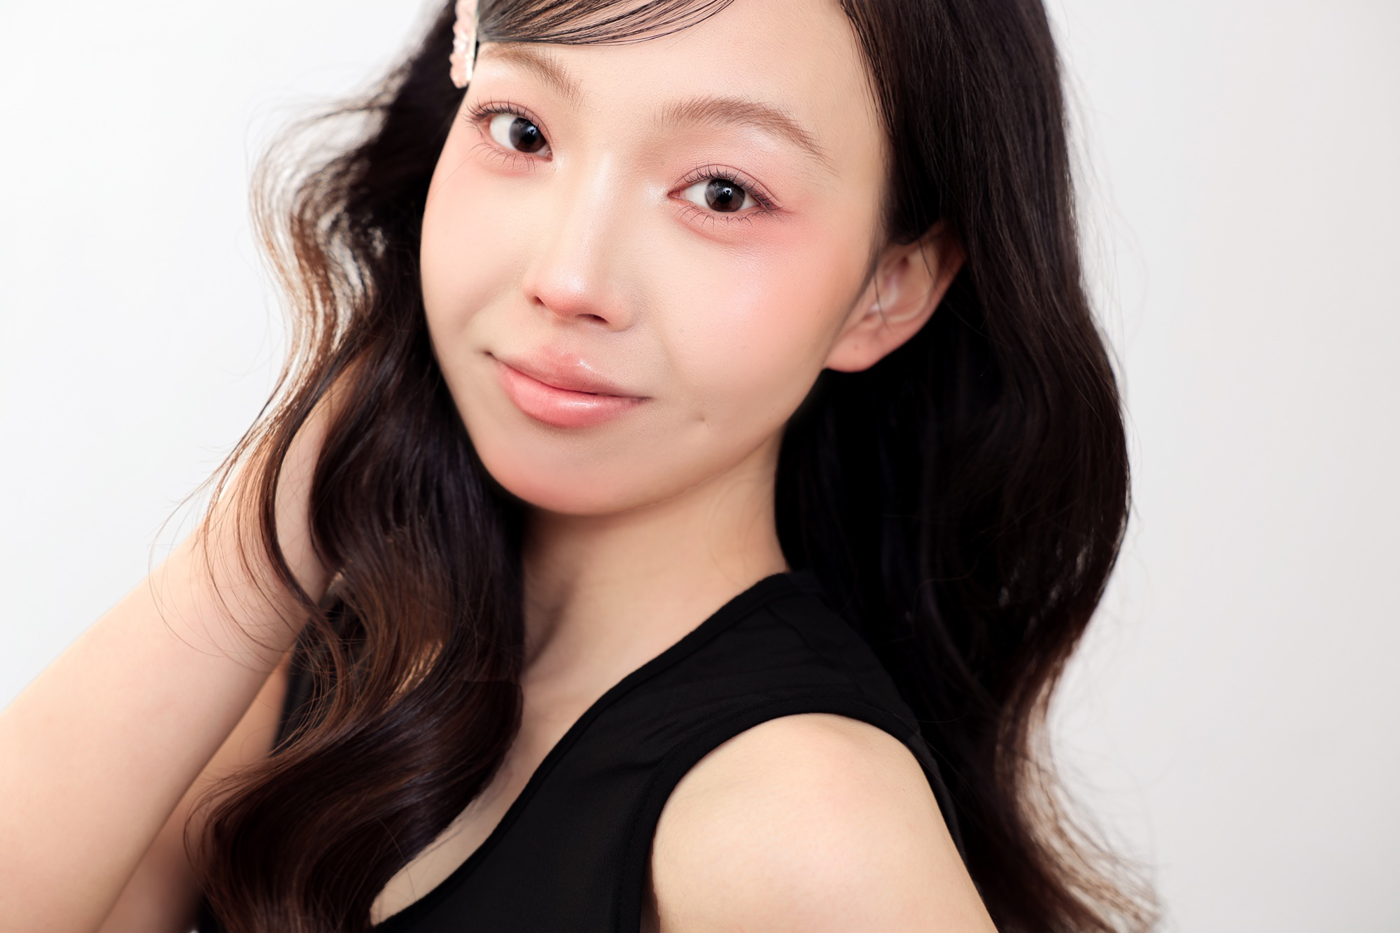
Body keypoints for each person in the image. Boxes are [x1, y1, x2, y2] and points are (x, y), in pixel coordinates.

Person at [0, 0, 1158, 930]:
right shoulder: (338, 659)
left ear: (886, 290)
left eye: (721, 192)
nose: (568, 276)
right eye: (522, 132)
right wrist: (290, 501)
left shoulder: (802, 818)